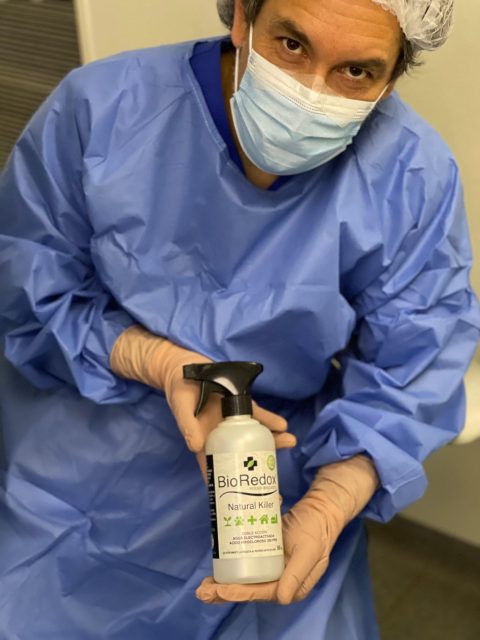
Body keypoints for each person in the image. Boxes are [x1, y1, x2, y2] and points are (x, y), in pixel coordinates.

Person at [0, 0, 478, 637]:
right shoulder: (103, 107)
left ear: (391, 79)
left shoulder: (410, 175)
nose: (309, 94)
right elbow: (31, 283)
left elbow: (414, 372)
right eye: (292, 45)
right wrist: (156, 359)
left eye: (357, 72)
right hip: (82, 455)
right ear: (243, 18)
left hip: (279, 470)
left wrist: (328, 505)